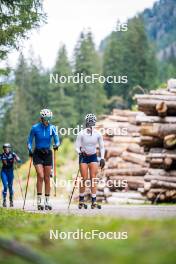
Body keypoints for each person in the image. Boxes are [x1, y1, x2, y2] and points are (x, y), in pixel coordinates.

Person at [27, 109, 60, 210]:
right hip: (37, 153)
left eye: (49, 119)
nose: (48, 121)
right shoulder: (35, 128)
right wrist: (29, 149)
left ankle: (47, 201)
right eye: (46, 119)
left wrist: (56, 145)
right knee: (40, 175)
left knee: (47, 178)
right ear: (42, 119)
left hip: (48, 153)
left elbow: (57, 140)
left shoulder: (52, 128)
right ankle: (39, 201)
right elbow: (29, 141)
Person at [75, 113, 105, 209]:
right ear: (86, 123)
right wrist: (79, 152)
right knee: (84, 178)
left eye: (92, 124)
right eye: (89, 124)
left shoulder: (98, 134)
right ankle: (81, 199)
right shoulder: (81, 133)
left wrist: (103, 158)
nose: (91, 126)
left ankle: (94, 201)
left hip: (93, 157)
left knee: (93, 178)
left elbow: (102, 147)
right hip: (83, 157)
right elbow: (76, 146)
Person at [0, 143, 21, 207]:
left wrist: (16, 159)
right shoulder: (2, 155)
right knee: (5, 186)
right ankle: (4, 201)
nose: (6, 149)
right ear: (3, 149)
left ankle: (11, 200)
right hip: (4, 172)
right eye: (5, 148)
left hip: (10, 172)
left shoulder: (13, 154)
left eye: (8, 148)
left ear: (10, 148)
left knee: (10, 186)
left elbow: (19, 160)